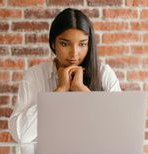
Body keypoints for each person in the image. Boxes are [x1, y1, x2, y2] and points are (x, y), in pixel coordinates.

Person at [9, 8, 121, 143]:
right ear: (52, 44)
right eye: (64, 44)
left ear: (89, 45)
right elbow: (21, 135)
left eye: (82, 44)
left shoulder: (104, 74)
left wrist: (82, 90)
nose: (74, 53)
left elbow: (118, 131)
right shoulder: (34, 76)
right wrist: (59, 91)